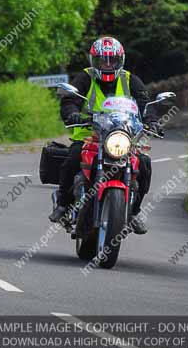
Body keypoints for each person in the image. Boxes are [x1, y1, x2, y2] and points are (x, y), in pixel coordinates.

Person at [49, 36, 162, 234]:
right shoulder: (85, 77)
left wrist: (151, 120)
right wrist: (72, 113)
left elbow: (145, 103)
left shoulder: (130, 80)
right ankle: (63, 204)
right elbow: (70, 99)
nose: (108, 64)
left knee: (143, 163)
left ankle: (134, 211)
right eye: (103, 60)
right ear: (95, 61)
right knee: (73, 157)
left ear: (120, 60)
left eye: (112, 60)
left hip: (122, 136)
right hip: (89, 135)